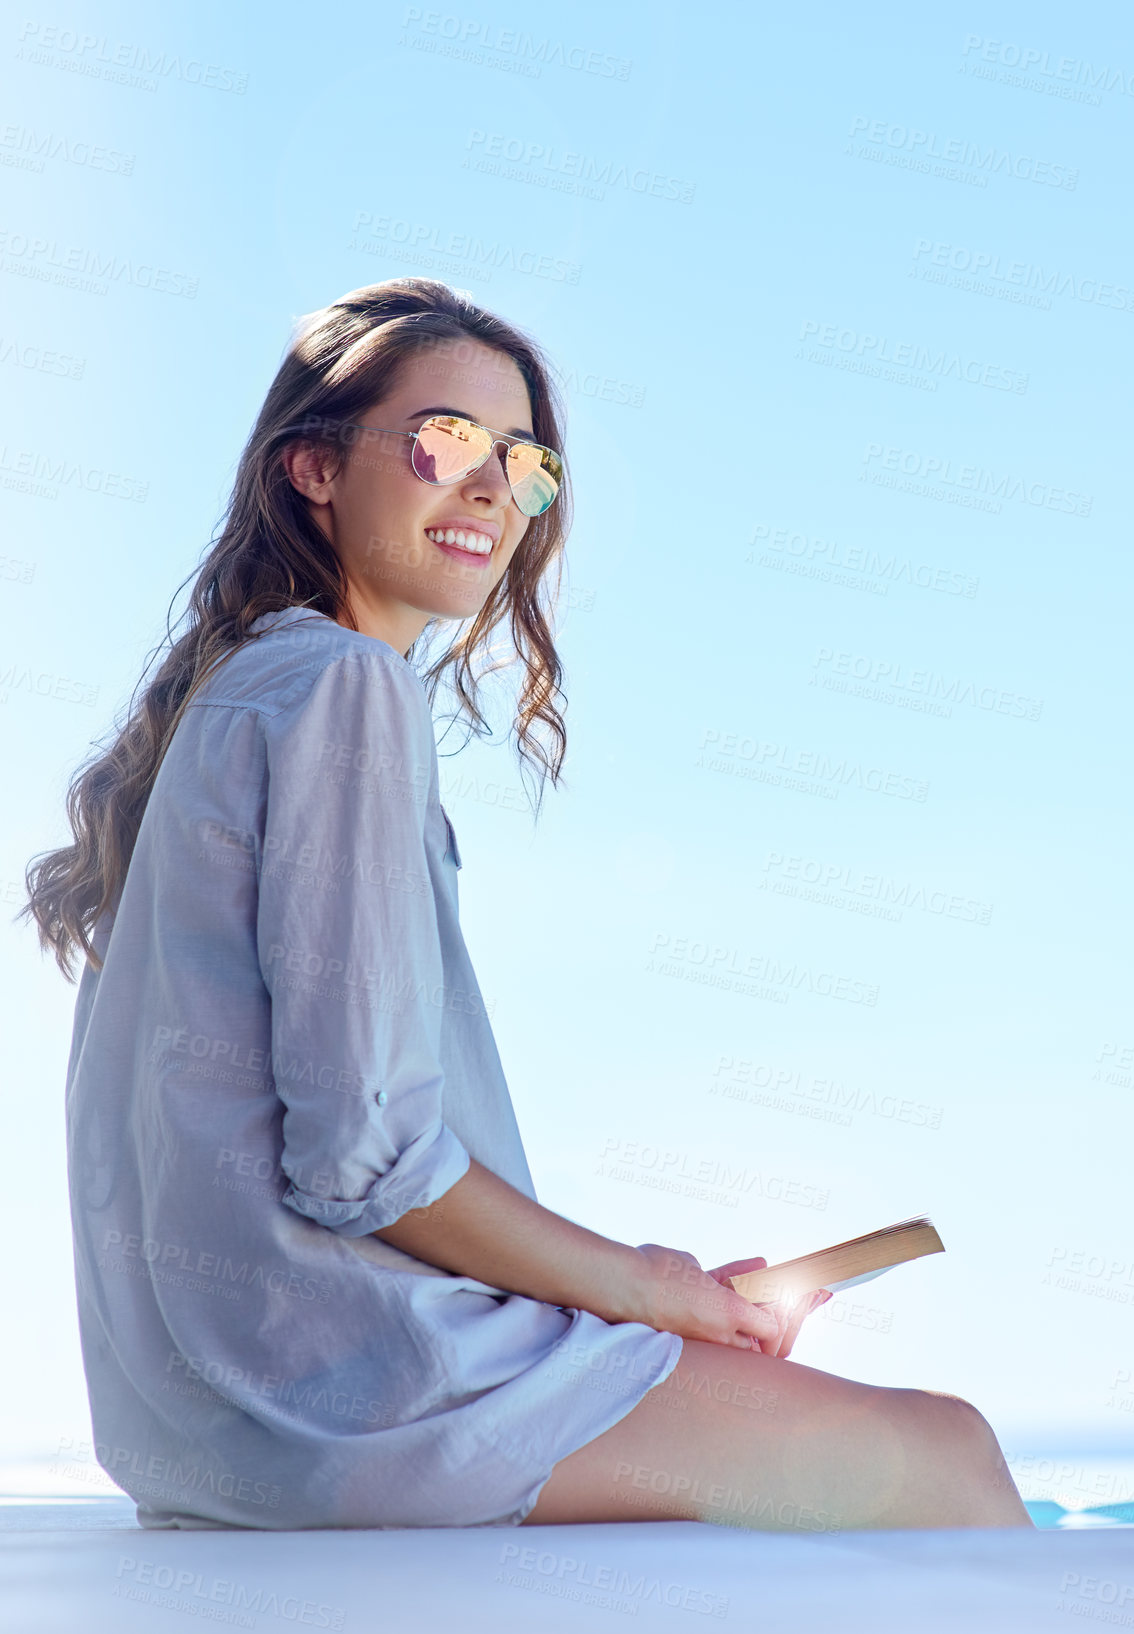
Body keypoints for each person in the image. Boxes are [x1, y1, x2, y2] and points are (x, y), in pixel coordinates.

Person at [21, 278, 1032, 1534]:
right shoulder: (344, 690)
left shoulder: (234, 700)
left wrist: (637, 1299)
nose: (494, 487)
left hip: (196, 1430)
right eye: (444, 438)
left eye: (526, 461)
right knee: (942, 1453)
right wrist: (650, 1287)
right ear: (312, 468)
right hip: (354, 1397)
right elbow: (366, 1165)